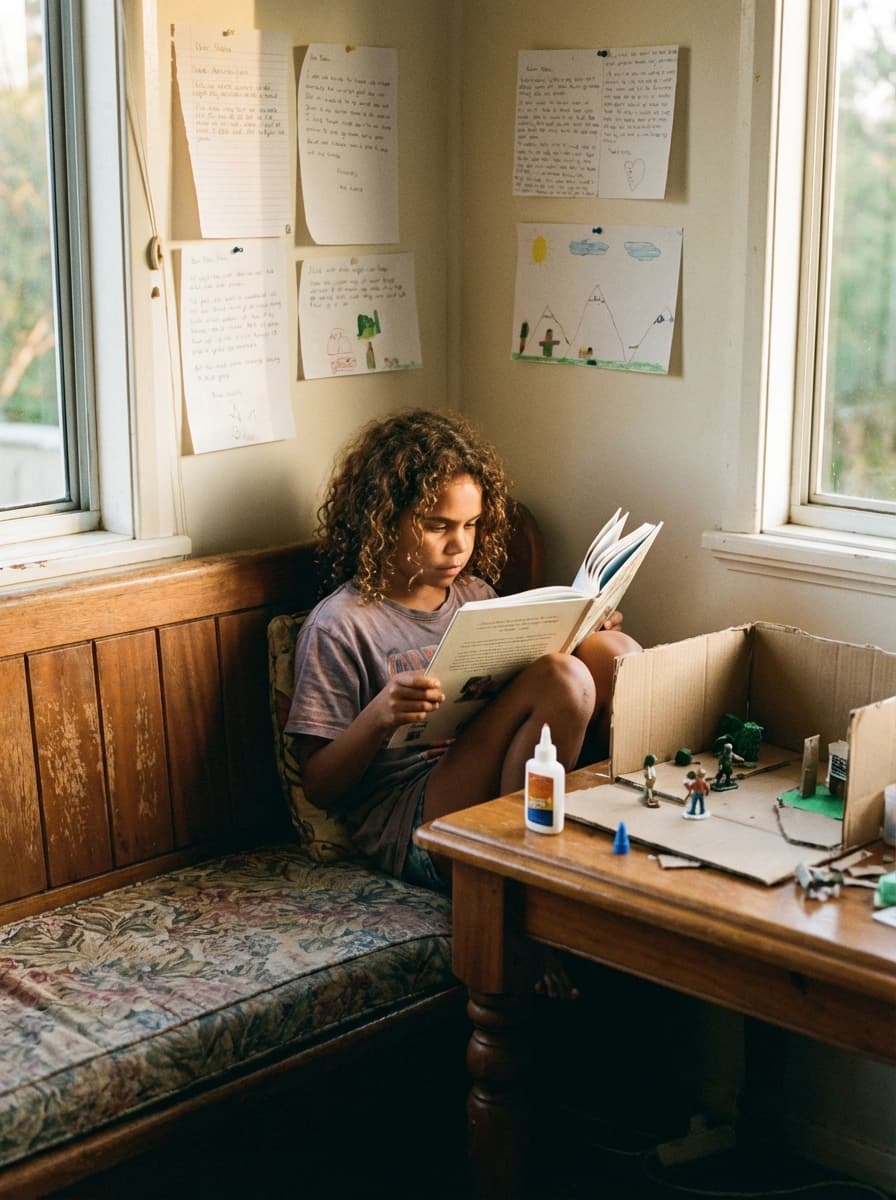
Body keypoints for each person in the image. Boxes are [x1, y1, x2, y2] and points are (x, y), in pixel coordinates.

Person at [285, 408, 640, 904]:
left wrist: (582, 630)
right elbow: (319, 784)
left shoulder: (475, 594)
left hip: (479, 767)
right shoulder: (341, 624)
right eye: (438, 526)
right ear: (383, 520)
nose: (459, 546)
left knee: (613, 654)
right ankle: (524, 885)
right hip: (410, 818)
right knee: (563, 679)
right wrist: (379, 717)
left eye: (471, 525)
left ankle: (599, 830)